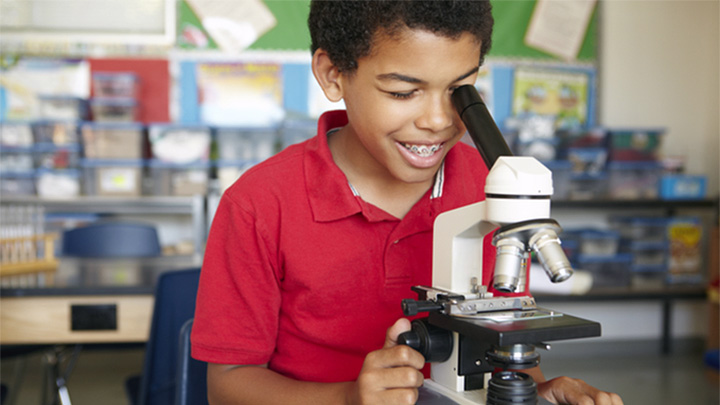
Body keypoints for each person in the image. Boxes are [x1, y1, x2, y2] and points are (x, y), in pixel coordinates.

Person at [192, 1, 623, 404]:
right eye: (402, 92)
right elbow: (227, 384)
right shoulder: (260, 204)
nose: (437, 120)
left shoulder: (488, 184)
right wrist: (348, 398)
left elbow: (502, 337)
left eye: (460, 89)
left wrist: (536, 391)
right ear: (332, 74)